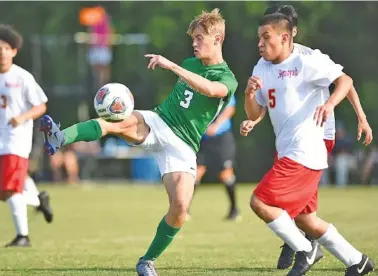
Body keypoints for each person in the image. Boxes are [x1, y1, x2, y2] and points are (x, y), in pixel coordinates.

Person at [39, 9, 238, 276]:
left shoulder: (227, 78)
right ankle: (60, 136)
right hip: (158, 121)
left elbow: (212, 90)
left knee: (179, 208)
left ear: (218, 39)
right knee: (116, 122)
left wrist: (172, 66)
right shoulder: (191, 62)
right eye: (193, 38)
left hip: (184, 146)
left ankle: (147, 261)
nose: (194, 43)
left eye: (200, 38)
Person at [240, 4, 373, 271]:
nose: (260, 43)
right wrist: (249, 100)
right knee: (306, 219)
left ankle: (304, 248)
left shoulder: (306, 60)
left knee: (260, 201)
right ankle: (358, 261)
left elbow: (345, 81)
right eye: (259, 38)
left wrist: (338, 108)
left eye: (266, 37)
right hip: (287, 147)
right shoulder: (261, 66)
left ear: (287, 36)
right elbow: (259, 109)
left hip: (306, 149)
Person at [0, 25, 53, 247]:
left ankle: (23, 236)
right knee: (7, 190)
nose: (1, 52)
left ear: (14, 51)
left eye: (5, 48)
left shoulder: (22, 77)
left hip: (15, 141)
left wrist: (22, 118)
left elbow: (41, 105)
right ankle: (38, 199)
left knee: (10, 189)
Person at [193, 94, 240, 221]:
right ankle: (183, 209)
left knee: (225, 174)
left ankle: (234, 210)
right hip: (204, 139)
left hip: (222, 138)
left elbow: (230, 109)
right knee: (196, 172)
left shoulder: (225, 85)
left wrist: (216, 125)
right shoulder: (200, 89)